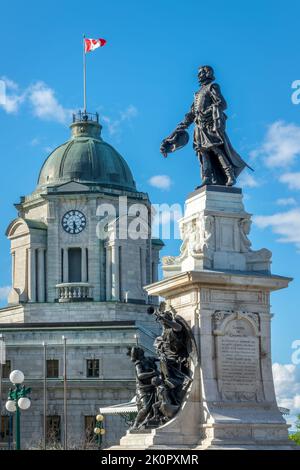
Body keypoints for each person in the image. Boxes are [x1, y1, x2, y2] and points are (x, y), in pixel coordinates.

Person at [161, 65, 252, 188]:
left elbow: (222, 104)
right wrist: (178, 129)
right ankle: (207, 178)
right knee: (202, 152)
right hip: (199, 127)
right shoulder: (197, 93)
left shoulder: (212, 87)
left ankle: (230, 175)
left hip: (209, 125)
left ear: (207, 73)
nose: (199, 75)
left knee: (216, 149)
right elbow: (191, 114)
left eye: (201, 73)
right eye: (198, 73)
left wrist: (206, 112)